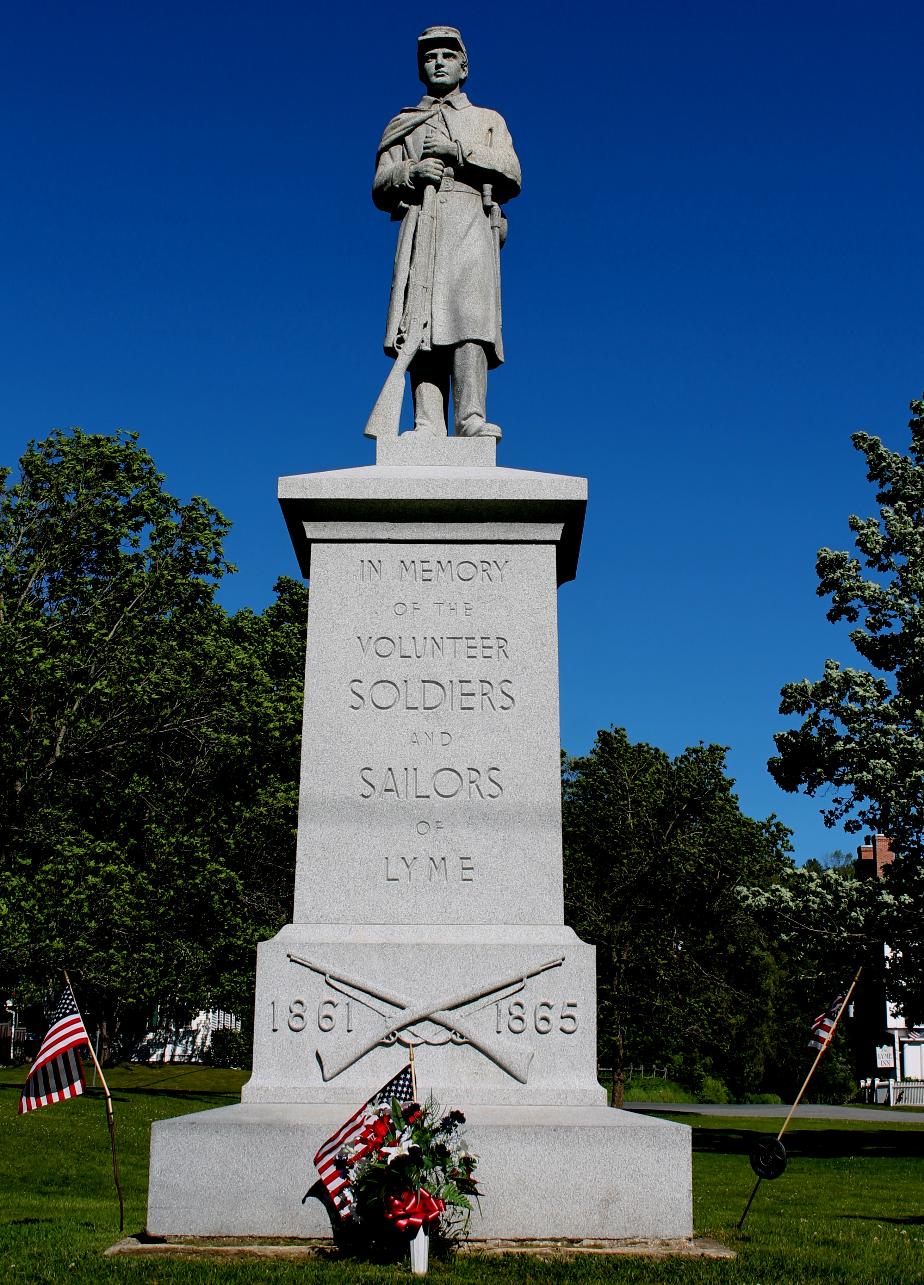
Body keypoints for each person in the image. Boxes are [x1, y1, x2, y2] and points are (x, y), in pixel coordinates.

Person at [372, 26, 521, 439]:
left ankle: (469, 417)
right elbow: (380, 185)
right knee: (420, 323)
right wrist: (411, 172)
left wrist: (459, 153)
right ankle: (426, 423)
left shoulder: (487, 120)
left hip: (471, 220)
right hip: (422, 223)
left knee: (468, 318)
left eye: (447, 56)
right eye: (429, 56)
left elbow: (512, 172)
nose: (437, 62)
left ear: (464, 66)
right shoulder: (403, 123)